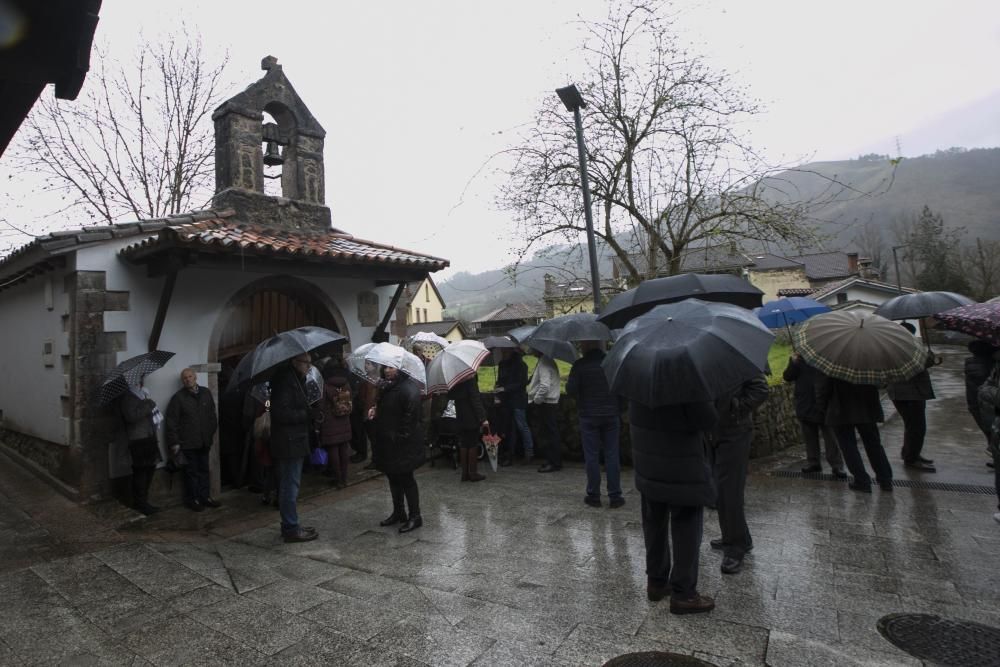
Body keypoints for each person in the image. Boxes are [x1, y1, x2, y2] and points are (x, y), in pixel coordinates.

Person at [630, 397, 718, 615]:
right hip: (682, 465)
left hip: (648, 464)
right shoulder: (687, 382)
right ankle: (684, 593)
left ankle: (657, 582)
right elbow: (708, 419)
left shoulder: (639, 380)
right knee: (687, 526)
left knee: (654, 523)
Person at [708, 374, 768, 575]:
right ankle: (740, 537)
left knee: (729, 491)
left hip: (735, 432)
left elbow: (760, 389)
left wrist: (736, 407)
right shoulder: (704, 357)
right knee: (721, 489)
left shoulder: (736, 360)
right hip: (714, 432)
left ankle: (735, 548)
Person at [269, 353, 320, 543]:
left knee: (290, 484)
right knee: (290, 485)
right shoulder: (285, 382)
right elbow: (281, 413)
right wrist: (306, 414)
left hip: (294, 440)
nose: (309, 366)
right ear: (294, 362)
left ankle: (291, 524)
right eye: (306, 363)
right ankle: (290, 527)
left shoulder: (295, 379)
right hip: (289, 442)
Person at [566, 340, 623, 508]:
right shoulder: (611, 362)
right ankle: (615, 496)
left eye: (582, 344)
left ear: (587, 345)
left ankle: (594, 495)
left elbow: (571, 390)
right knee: (612, 454)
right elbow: (621, 387)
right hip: (611, 414)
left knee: (591, 456)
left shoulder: (579, 365)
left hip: (589, 415)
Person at [816, 373, 892, 493]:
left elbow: (823, 389)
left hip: (841, 409)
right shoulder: (870, 361)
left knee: (848, 447)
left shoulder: (834, 363)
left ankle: (862, 480)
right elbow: (881, 383)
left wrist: (823, 408)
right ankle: (886, 480)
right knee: (874, 445)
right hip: (867, 409)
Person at [372, 363, 425, 533]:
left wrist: (399, 437)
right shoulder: (387, 387)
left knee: (406, 478)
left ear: (400, 368)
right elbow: (389, 410)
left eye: (391, 367)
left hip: (403, 443)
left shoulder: (408, 388)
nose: (387, 370)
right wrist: (376, 410)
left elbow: (411, 418)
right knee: (393, 477)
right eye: (385, 367)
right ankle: (399, 512)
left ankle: (415, 516)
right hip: (389, 442)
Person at [165, 368, 220, 512]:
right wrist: (175, 443)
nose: (187, 379)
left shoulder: (206, 393)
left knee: (204, 470)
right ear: (182, 381)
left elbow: (212, 416)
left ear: (195, 377)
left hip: (204, 441)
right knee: (191, 473)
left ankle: (205, 497)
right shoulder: (178, 398)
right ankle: (193, 499)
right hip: (188, 443)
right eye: (184, 378)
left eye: (190, 376)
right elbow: (171, 422)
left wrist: (210, 432)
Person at [783, 354, 846, 477]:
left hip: (823, 401)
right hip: (805, 401)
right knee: (809, 436)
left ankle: (837, 465)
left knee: (830, 437)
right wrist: (793, 363)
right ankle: (813, 463)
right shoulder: (798, 359)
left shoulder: (825, 356)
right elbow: (787, 377)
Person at [887, 323, 937, 472]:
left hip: (902, 392)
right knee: (917, 426)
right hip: (910, 392)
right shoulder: (908, 347)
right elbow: (917, 366)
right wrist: (929, 359)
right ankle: (911, 458)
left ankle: (910, 452)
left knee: (911, 425)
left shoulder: (892, 346)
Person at [119, 381, 162, 515]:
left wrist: (146, 401)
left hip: (149, 438)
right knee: (141, 473)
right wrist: (148, 404)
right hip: (138, 440)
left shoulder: (140, 395)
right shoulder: (127, 398)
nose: (139, 382)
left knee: (150, 469)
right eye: (136, 380)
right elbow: (131, 417)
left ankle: (144, 501)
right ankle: (140, 503)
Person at [495, 348, 534, 463]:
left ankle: (529, 452)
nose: (503, 353)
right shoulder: (502, 364)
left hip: (518, 400)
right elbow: (500, 380)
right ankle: (509, 453)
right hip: (506, 401)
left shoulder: (522, 365)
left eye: (505, 352)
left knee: (521, 426)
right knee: (507, 428)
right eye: (502, 352)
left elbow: (522, 384)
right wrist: (497, 386)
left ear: (511, 351)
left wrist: (505, 388)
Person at [448, 375, 489, 482]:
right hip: (471, 416)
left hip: (459, 416)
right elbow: (475, 399)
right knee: (472, 444)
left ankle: (465, 473)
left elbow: (450, 396)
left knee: (464, 443)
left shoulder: (454, 379)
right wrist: (483, 418)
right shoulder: (470, 378)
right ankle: (473, 473)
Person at [320, 359, 353, 489]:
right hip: (344, 420)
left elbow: (321, 405)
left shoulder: (326, 386)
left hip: (330, 421)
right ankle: (345, 478)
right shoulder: (346, 384)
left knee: (333, 450)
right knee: (344, 449)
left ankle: (338, 479)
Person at [527, 350, 561, 473]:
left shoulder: (544, 362)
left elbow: (545, 386)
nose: (530, 350)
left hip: (546, 403)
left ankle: (554, 462)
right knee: (550, 432)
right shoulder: (546, 360)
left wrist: (536, 400)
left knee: (549, 433)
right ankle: (552, 460)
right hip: (549, 402)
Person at [964, 340, 998, 450]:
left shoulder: (972, 364)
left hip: (976, 405)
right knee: (993, 433)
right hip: (987, 408)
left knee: (991, 434)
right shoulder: (989, 366)